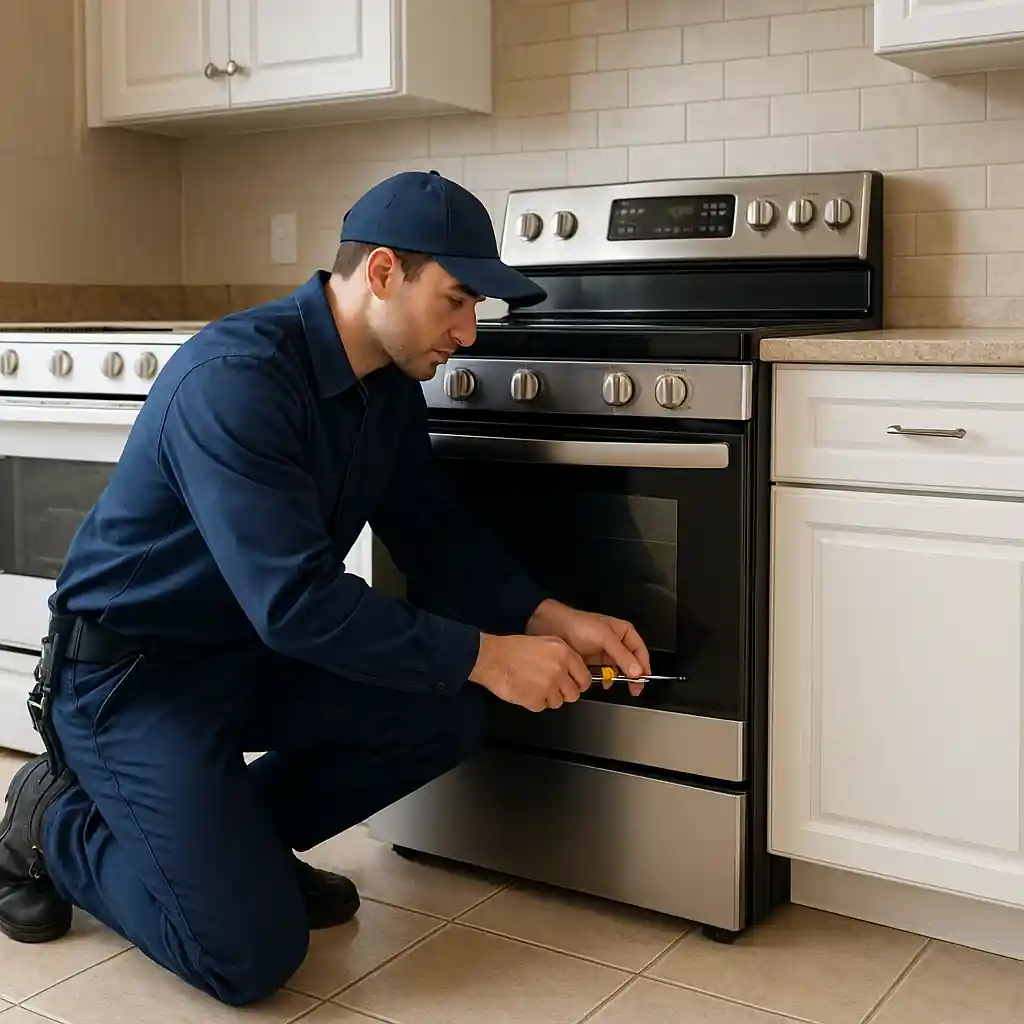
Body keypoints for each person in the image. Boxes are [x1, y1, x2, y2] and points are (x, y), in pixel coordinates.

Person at [0, 171, 651, 1006]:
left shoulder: (385, 389)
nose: (470, 331)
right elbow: (296, 602)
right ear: (382, 273)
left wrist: (554, 617)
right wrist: (488, 654)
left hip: (243, 658)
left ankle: (239, 859)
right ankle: (54, 823)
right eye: (456, 300)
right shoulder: (237, 378)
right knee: (248, 954)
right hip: (130, 682)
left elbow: (435, 533)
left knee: (443, 706)